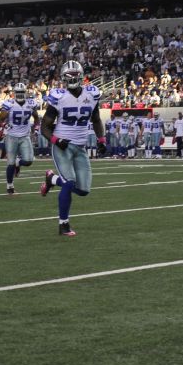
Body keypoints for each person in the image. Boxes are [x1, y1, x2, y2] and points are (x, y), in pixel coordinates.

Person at [39, 60, 106, 237]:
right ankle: (63, 224)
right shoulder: (58, 96)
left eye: (75, 75)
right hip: (62, 146)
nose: (72, 78)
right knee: (69, 183)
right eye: (68, 75)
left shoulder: (92, 95)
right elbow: (44, 126)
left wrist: (101, 139)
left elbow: (97, 119)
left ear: (82, 76)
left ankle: (52, 179)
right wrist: (55, 139)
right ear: (63, 77)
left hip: (80, 147)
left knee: (83, 190)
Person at [0, 82, 39, 195]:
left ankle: (18, 163)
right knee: (10, 162)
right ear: (14, 93)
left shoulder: (31, 103)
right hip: (11, 136)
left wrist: (35, 129)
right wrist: (5, 126)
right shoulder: (9, 104)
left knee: (29, 160)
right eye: (18, 92)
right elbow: (0, 120)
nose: (20, 94)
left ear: (25, 92)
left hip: (25, 136)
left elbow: (36, 118)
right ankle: (9, 186)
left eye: (22, 92)